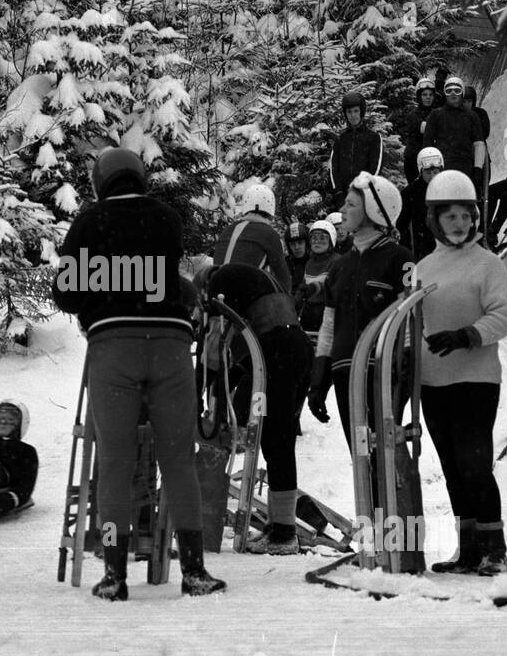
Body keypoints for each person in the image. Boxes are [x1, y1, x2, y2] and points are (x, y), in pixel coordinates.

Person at [53, 146, 225, 599]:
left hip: (114, 349)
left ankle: (114, 573)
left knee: (115, 461)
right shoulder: (166, 217)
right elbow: (161, 276)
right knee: (177, 460)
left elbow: (67, 294)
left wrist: (100, 283)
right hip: (170, 345)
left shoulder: (89, 222)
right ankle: (193, 570)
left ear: (100, 182)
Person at [415, 170, 507, 576]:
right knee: (453, 468)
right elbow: (413, 324)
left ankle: (495, 549)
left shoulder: (489, 264)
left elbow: (503, 317)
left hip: (476, 380)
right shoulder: (422, 267)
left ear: (475, 218)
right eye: (450, 216)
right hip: (432, 382)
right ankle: (469, 550)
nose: (459, 223)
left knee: (475, 463)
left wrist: (467, 335)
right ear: (435, 220)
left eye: (465, 216)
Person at [201, 262, 316, 554]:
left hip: (276, 352)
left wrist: (203, 388)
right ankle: (280, 526)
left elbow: (216, 344)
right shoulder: (256, 277)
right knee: (279, 439)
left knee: (275, 441)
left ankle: (284, 534)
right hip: (297, 347)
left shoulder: (219, 287)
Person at [307, 173, 412, 442]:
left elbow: (410, 320)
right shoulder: (339, 266)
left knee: (384, 463)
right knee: (361, 463)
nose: (342, 211)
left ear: (374, 211)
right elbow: (329, 326)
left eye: (351, 205)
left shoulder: (400, 259)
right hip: (345, 373)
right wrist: (319, 380)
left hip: (383, 373)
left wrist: (405, 374)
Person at [213, 182, 293, 292]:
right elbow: (283, 277)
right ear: (271, 209)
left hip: (214, 288)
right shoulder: (269, 234)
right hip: (242, 293)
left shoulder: (227, 230)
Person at [423, 74, 486, 191]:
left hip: (465, 166)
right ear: (445, 93)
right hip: (440, 166)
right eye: (449, 90)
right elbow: (427, 143)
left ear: (462, 93)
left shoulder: (472, 116)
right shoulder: (436, 115)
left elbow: (479, 144)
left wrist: (478, 169)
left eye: (457, 91)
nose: (453, 94)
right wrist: (428, 168)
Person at [327, 89, 383, 209]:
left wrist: (364, 189)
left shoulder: (373, 138)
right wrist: (338, 193)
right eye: (349, 112)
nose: (353, 115)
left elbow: (376, 168)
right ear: (345, 114)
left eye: (356, 111)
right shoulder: (340, 139)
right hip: (343, 196)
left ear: (361, 112)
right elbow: (333, 168)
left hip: (366, 195)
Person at [296, 219, 340, 339]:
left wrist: (315, 287)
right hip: (310, 311)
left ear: (331, 240)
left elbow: (334, 286)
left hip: (327, 311)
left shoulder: (336, 261)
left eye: (322, 238)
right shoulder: (309, 263)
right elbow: (305, 284)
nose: (317, 242)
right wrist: (299, 295)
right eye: (314, 238)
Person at [398, 147, 444, 259]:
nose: (432, 176)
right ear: (421, 171)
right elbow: (402, 226)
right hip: (419, 250)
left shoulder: (448, 188)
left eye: (435, 172)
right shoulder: (410, 193)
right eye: (428, 172)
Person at [401, 75, 440, 183]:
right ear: (419, 96)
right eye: (424, 95)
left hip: (432, 161)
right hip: (413, 160)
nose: (428, 97)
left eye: (430, 95)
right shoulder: (412, 114)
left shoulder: (438, 113)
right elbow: (427, 129)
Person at [284, 221, 309, 294]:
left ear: (307, 243)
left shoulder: (316, 261)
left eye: (300, 242)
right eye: (292, 244)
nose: (296, 247)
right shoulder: (285, 264)